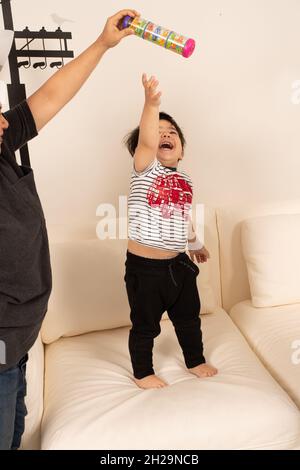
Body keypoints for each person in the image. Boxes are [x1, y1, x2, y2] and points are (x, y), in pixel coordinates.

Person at [0, 8, 139, 450]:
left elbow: (52, 96)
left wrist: (102, 44)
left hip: (19, 339)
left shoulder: (3, 142)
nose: (3, 115)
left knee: (16, 438)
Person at [124, 73, 218, 389]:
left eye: (172, 132)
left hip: (178, 266)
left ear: (181, 151)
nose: (165, 134)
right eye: (159, 131)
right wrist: (152, 104)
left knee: (189, 318)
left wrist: (195, 243)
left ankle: (195, 359)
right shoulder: (144, 168)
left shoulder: (186, 180)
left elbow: (181, 216)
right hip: (146, 271)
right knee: (145, 325)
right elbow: (148, 140)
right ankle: (143, 371)